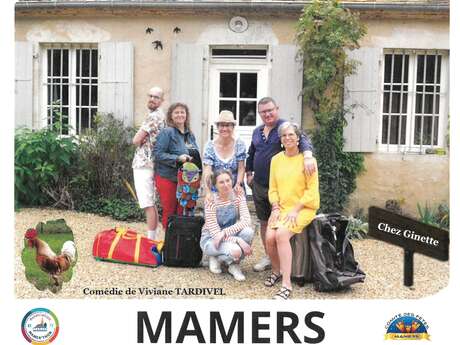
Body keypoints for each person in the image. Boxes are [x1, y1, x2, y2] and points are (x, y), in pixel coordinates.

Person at [246, 97, 316, 272]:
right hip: (260, 185)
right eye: (263, 111)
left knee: (280, 226)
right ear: (259, 113)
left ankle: (285, 261)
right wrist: (249, 173)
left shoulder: (285, 127)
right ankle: (269, 257)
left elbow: (304, 140)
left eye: (270, 110)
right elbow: (251, 152)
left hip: (280, 189)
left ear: (277, 109)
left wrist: (307, 156)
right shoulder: (257, 131)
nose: (267, 114)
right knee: (264, 222)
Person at [265, 122, 319, 299]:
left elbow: (312, 192)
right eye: (284, 136)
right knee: (269, 238)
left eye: (291, 135)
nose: (287, 138)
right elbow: (272, 188)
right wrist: (275, 207)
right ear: (280, 140)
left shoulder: (308, 161)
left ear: (298, 139)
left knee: (280, 234)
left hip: (303, 208)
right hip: (281, 207)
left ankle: (286, 285)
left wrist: (295, 210)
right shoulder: (276, 160)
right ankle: (276, 270)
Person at [153, 102, 201, 230]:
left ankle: (178, 244)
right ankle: (167, 244)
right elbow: (157, 154)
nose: (180, 115)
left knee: (182, 211)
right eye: (176, 112)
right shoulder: (167, 132)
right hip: (168, 178)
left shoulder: (190, 135)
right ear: (171, 116)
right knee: (170, 211)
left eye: (182, 112)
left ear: (186, 115)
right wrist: (177, 158)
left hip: (186, 180)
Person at [200, 169, 254, 281]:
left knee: (248, 232)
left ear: (232, 180)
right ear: (215, 185)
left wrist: (224, 233)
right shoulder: (211, 201)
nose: (226, 185)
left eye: (228, 180)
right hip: (211, 240)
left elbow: (246, 221)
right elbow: (215, 234)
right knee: (236, 250)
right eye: (221, 182)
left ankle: (233, 265)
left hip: (224, 235)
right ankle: (216, 257)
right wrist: (238, 240)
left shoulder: (238, 196)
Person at [131, 86, 165, 240]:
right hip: (150, 163)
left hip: (145, 164)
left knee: (147, 203)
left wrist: (140, 139)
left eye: (156, 97)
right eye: (150, 96)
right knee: (150, 202)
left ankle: (150, 241)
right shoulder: (157, 115)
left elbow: (135, 140)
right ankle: (153, 237)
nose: (152, 99)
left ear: (162, 100)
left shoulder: (154, 117)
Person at [202, 110, 247, 198]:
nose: (225, 128)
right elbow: (207, 170)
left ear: (233, 127)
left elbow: (241, 168)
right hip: (216, 191)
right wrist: (208, 191)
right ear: (217, 127)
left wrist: (238, 185)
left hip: (235, 189)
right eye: (222, 125)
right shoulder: (210, 146)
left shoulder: (239, 144)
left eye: (228, 125)